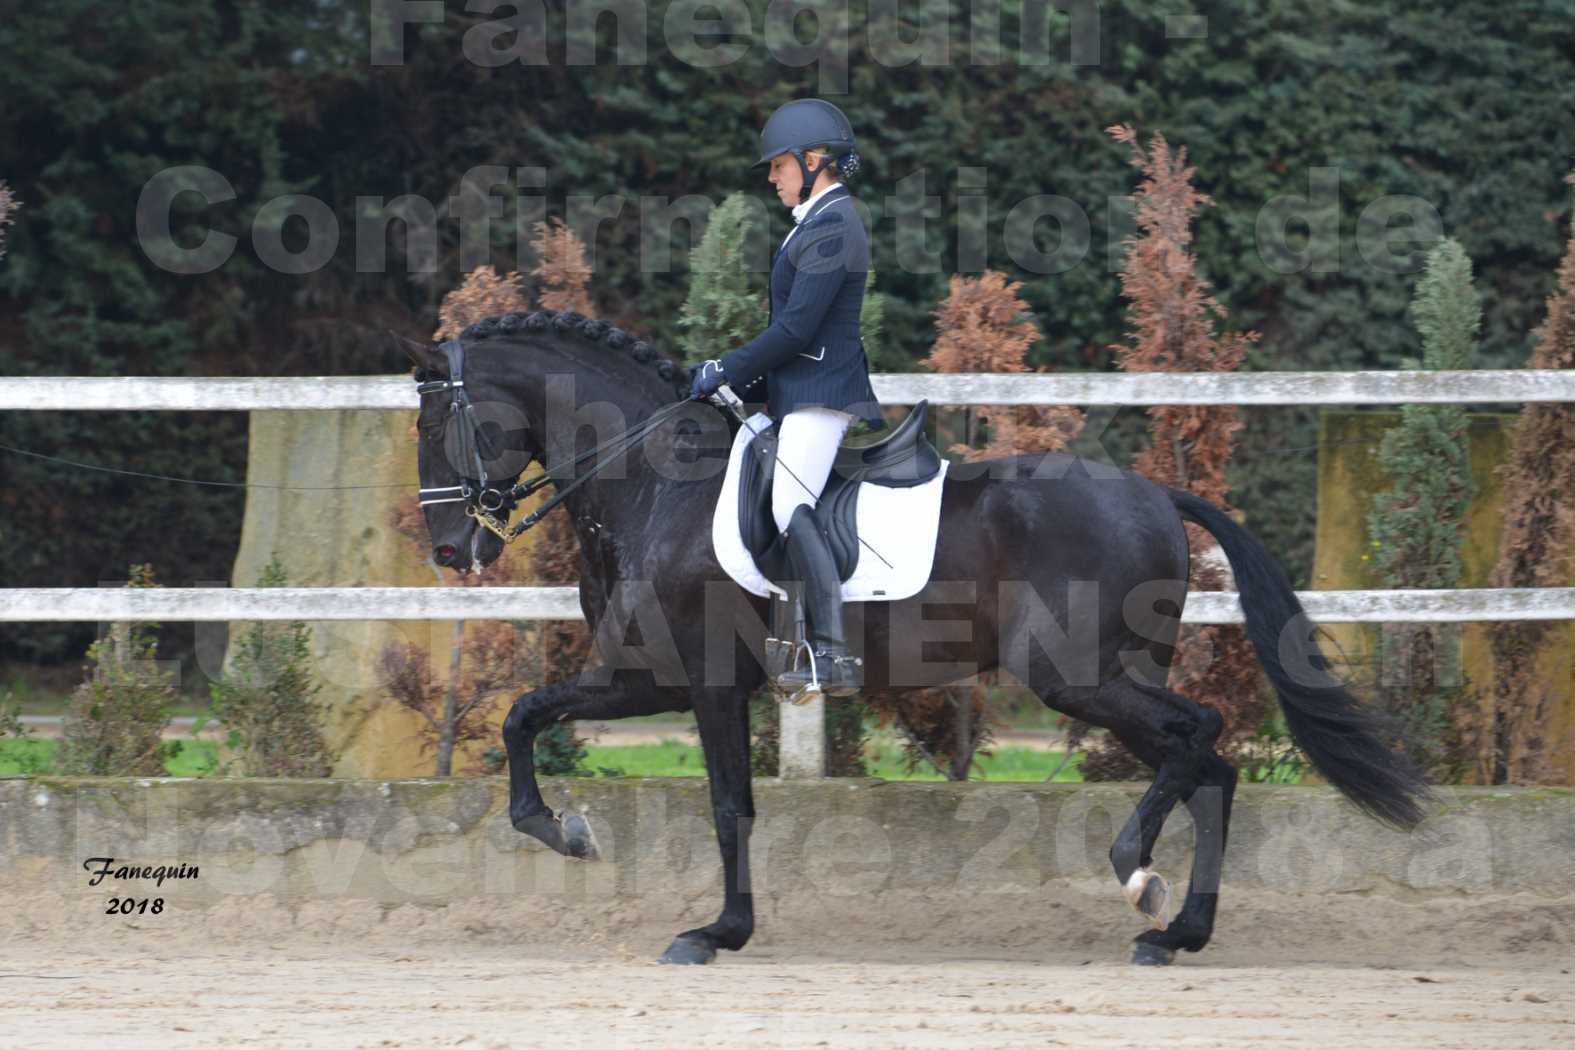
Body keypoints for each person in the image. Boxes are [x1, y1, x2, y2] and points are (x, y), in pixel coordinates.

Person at [690, 97, 881, 695]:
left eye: (779, 165)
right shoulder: (818, 223)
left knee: (786, 504)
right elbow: (797, 334)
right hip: (800, 389)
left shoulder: (834, 224)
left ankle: (831, 654)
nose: (772, 177)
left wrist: (727, 365)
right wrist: (744, 383)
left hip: (823, 393)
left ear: (815, 159)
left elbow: (797, 329)